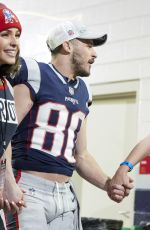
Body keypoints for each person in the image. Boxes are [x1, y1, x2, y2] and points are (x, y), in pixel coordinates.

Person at [6, 20, 129, 230]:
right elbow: (4, 135)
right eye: (89, 45)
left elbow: (81, 156)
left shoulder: (84, 91)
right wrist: (7, 181)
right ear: (67, 45)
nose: (95, 54)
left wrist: (108, 184)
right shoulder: (35, 73)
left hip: (65, 195)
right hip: (28, 189)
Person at [0, 2, 25, 229]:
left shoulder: (6, 85)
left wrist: (7, 181)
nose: (14, 42)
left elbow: (4, 143)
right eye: (5, 34)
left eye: (16, 35)